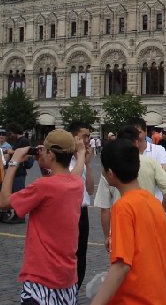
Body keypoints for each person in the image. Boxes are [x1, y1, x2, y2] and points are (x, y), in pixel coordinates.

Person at [94, 125, 166, 304]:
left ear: (110, 174)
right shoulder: (153, 204)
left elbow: (121, 265)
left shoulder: (123, 207)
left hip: (135, 298)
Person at [0, 129, 85, 305]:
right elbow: (71, 173)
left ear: (51, 154)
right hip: (67, 277)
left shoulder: (42, 186)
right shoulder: (76, 183)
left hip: (41, 276)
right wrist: (81, 153)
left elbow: (3, 201)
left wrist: (13, 163)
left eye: (45, 150)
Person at [67, 121, 95, 291]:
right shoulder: (65, 159)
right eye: (84, 136)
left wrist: (88, 164)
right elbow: (71, 183)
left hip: (82, 211)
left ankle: (75, 290)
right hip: (69, 212)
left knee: (81, 254)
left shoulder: (81, 159)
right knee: (70, 253)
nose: (87, 140)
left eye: (89, 136)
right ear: (74, 137)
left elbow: (90, 189)